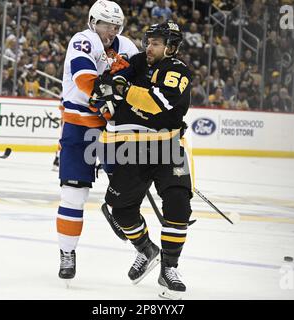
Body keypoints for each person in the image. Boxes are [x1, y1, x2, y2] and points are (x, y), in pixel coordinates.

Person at [93, 21, 193, 299]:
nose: (149, 47)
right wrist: (107, 85)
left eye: (156, 43)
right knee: (121, 210)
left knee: (178, 204)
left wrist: (122, 90)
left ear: (171, 47)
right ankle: (147, 250)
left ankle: (169, 268)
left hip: (167, 147)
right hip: (134, 148)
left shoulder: (178, 71)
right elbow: (108, 82)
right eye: (149, 42)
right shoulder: (138, 62)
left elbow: (155, 102)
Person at [57, 0, 138, 282]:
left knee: (126, 187)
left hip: (113, 128)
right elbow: (84, 78)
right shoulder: (83, 40)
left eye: (116, 26)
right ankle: (67, 251)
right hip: (79, 126)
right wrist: (106, 103)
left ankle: (120, 214)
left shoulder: (126, 46)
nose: (111, 31)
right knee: (73, 193)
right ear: (94, 22)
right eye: (106, 25)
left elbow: (139, 83)